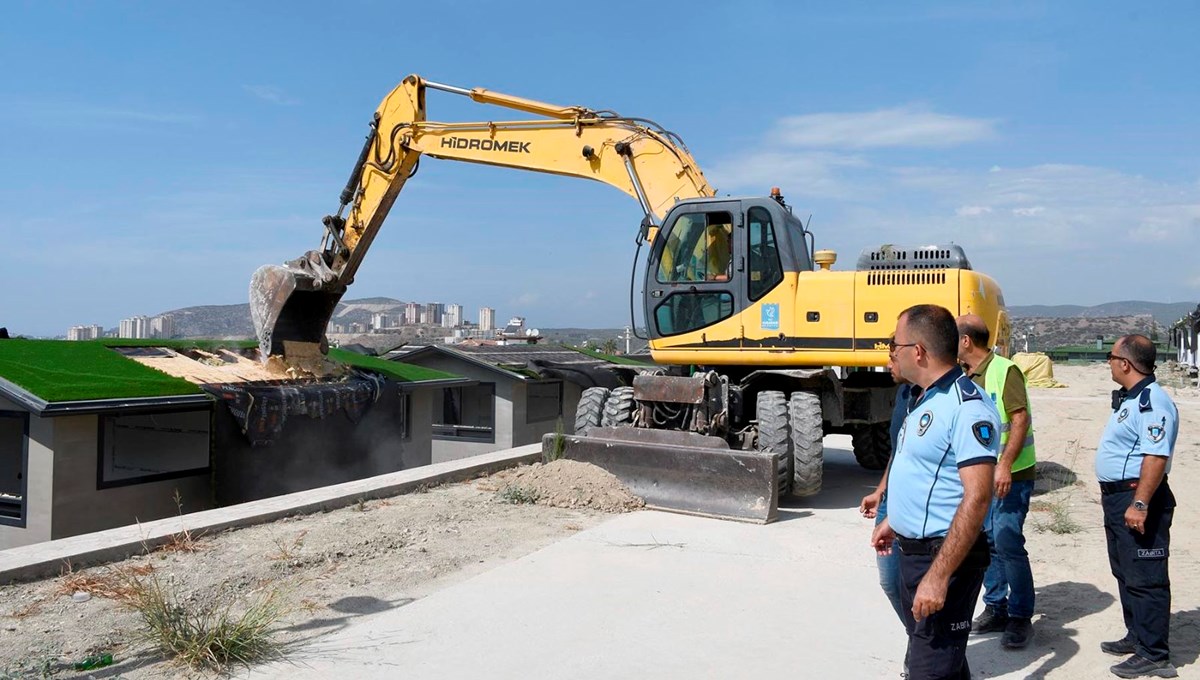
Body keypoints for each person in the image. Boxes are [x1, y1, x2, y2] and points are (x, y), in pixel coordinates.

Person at [871, 304, 997, 680]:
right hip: (916, 552)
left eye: (895, 344)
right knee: (945, 664)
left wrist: (939, 576)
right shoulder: (925, 398)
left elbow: (977, 496)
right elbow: (926, 474)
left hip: (945, 557)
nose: (891, 352)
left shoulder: (967, 408)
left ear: (919, 351)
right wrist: (896, 519)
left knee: (929, 668)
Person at [1095, 334, 1179, 679]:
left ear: (1125, 364)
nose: (1110, 364)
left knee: (1146, 576)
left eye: (1112, 358)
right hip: (1118, 498)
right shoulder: (1132, 399)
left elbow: (1156, 456)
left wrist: (1140, 503)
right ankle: (1137, 636)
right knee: (1126, 571)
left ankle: (1154, 653)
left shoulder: (1152, 403)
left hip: (1137, 497)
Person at [956, 314, 1037, 649]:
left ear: (965, 341)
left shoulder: (1005, 370)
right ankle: (996, 607)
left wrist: (1004, 465)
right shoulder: (964, 376)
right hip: (981, 478)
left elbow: (1019, 418)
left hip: (1011, 475)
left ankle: (1020, 616)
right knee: (987, 543)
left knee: (1007, 541)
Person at [860, 355, 920, 624]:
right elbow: (898, 452)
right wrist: (880, 490)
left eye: (894, 358)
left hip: (917, 505)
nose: (888, 365)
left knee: (915, 586)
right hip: (891, 501)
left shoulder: (935, 399)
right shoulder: (904, 393)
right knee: (890, 582)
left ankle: (924, 647)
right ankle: (916, 637)